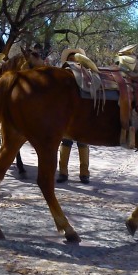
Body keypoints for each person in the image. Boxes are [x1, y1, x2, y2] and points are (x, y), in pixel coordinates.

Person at [56, 47, 90, 184]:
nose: (73, 61)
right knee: (65, 142)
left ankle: (84, 173)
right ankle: (63, 172)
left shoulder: (86, 75)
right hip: (66, 116)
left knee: (83, 143)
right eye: (70, 59)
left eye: (75, 59)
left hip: (82, 115)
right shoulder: (62, 76)